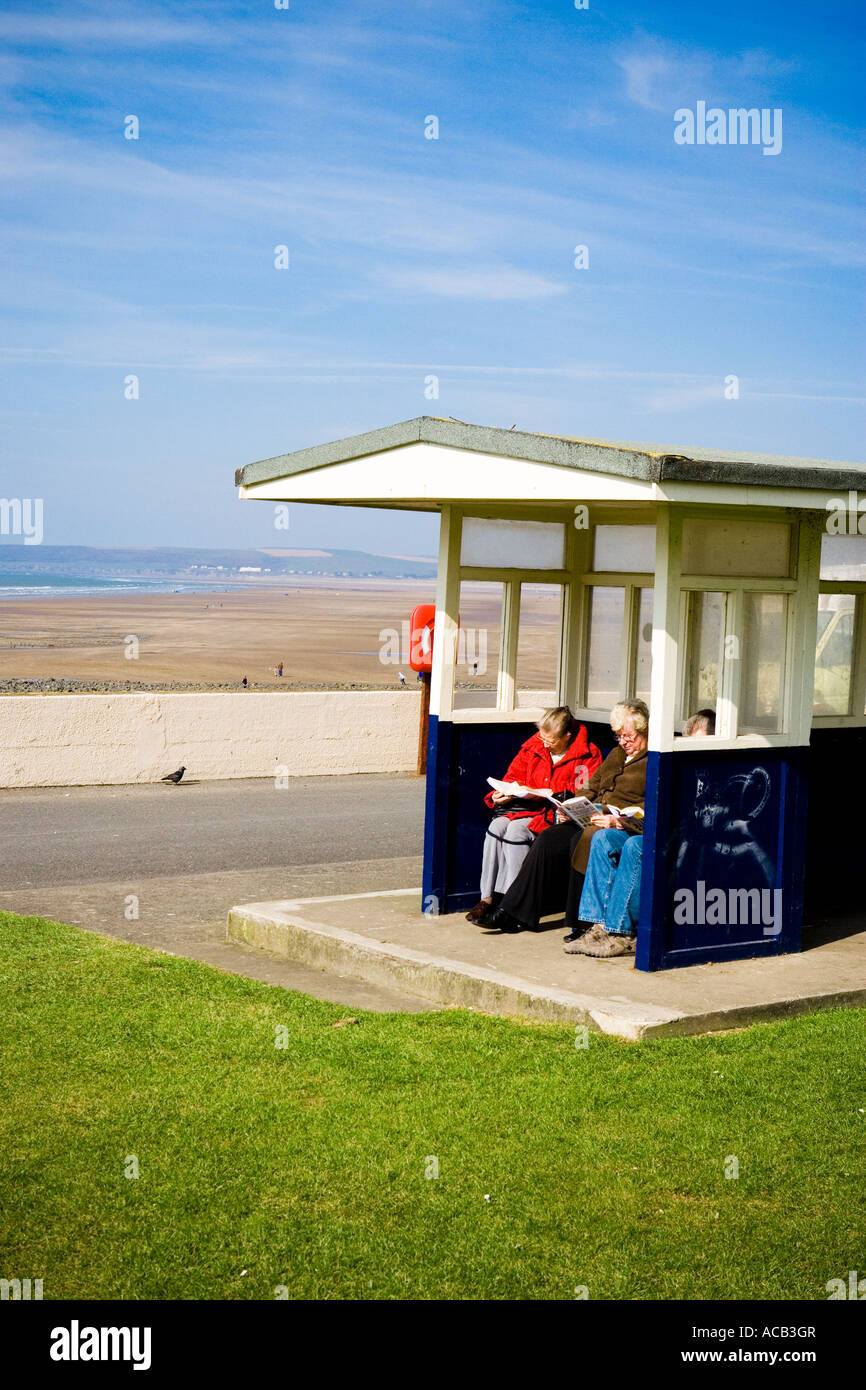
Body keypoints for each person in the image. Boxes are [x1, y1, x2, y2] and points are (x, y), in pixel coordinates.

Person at [483, 700, 650, 934]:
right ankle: (515, 913)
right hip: (591, 816)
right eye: (619, 736)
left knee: (581, 841)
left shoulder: (653, 760)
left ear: (645, 731)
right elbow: (591, 785)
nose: (623, 742)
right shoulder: (616, 754)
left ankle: (579, 924)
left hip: (616, 823)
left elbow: (648, 805)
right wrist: (573, 803)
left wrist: (616, 820)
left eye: (628, 737)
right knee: (548, 839)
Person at [564, 708, 717, 959]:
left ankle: (621, 932)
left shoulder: (710, 770)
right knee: (602, 839)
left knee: (636, 847)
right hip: (645, 826)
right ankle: (598, 926)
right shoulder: (676, 761)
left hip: (677, 836)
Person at [465, 707, 602, 925]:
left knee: (516, 830)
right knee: (496, 826)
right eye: (542, 737)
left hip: (552, 814)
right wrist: (501, 794)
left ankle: (511, 904)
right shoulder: (533, 747)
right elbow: (512, 777)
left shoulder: (588, 754)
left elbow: (587, 790)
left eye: (551, 740)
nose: (545, 744)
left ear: (567, 736)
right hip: (523, 807)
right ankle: (487, 898)